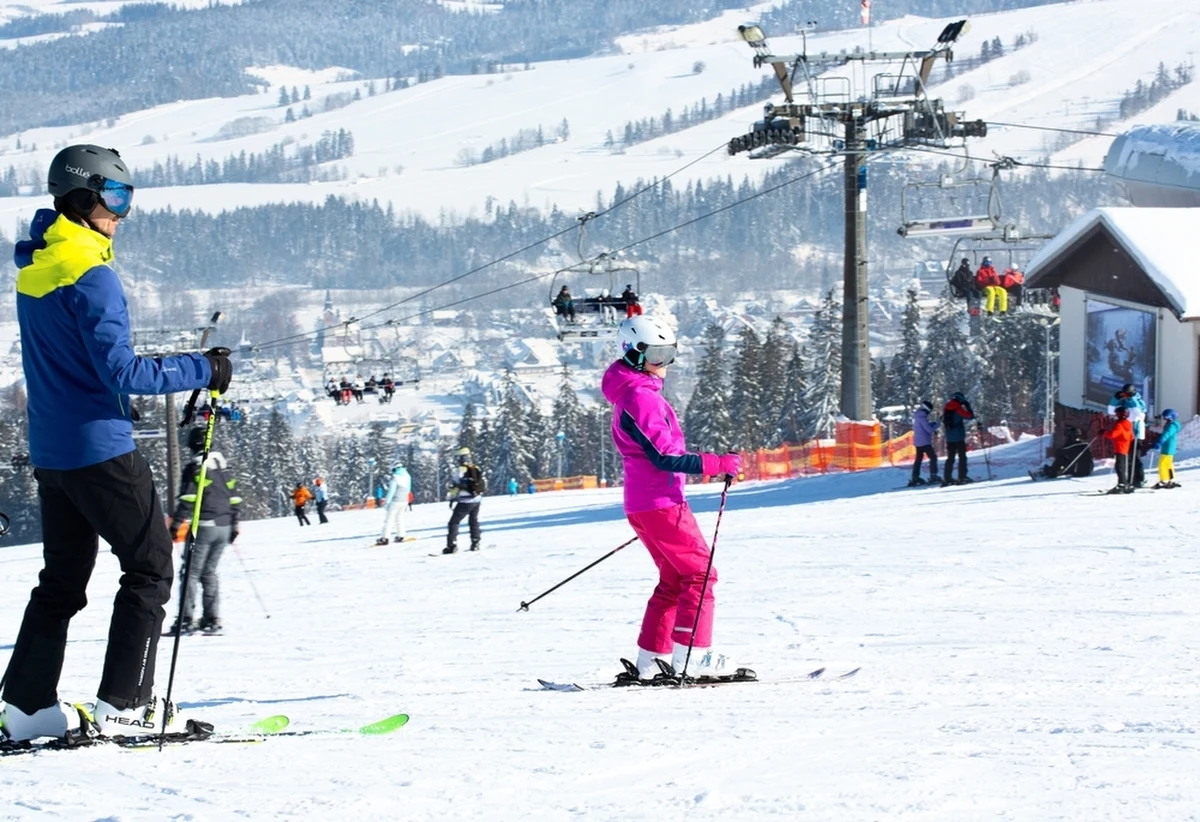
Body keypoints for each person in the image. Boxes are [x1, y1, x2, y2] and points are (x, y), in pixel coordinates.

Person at [0, 144, 232, 743]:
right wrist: (203, 369)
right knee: (151, 568)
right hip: (100, 450)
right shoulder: (92, 273)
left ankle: (26, 709)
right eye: (117, 197)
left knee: (61, 581)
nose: (122, 213)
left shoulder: (38, 265)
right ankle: (126, 704)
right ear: (85, 196)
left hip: (53, 452)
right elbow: (124, 373)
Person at [601, 314, 743, 681]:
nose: (666, 364)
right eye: (657, 355)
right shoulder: (640, 397)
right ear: (633, 354)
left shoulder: (634, 393)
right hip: (660, 504)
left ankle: (652, 659)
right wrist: (718, 463)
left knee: (675, 580)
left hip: (647, 503)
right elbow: (663, 456)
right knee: (700, 576)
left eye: (670, 353)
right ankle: (694, 657)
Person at [165, 427, 241, 637]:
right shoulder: (224, 468)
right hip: (224, 527)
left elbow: (188, 499)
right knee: (208, 572)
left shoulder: (196, 467)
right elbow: (235, 498)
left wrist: (176, 525)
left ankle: (186, 620)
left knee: (189, 572)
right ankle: (211, 619)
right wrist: (234, 525)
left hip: (204, 526)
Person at [444, 446, 484, 554]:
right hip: (477, 499)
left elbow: (455, 485)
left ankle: (452, 545)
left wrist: (451, 495)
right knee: (473, 521)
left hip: (466, 500)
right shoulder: (476, 467)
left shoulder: (461, 469)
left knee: (454, 522)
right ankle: (475, 542)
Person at [1107, 383, 1147, 486]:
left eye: (1127, 394)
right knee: (1128, 458)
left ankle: (1139, 479)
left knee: (1135, 458)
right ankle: (1129, 479)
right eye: (1124, 394)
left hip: (1137, 433)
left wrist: (1132, 399)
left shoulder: (1139, 402)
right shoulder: (1123, 402)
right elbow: (1111, 411)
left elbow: (1139, 413)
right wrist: (1115, 399)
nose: (1125, 396)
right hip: (1127, 434)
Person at [942, 392, 975, 485]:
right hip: (959, 437)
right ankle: (962, 476)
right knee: (962, 457)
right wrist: (968, 406)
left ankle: (947, 477)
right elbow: (970, 416)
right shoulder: (957, 408)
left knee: (950, 458)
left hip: (949, 438)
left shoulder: (946, 408)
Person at [376, 463, 413, 546]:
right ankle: (401, 535)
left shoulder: (395, 478)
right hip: (404, 500)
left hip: (395, 501)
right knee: (399, 518)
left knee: (389, 520)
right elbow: (409, 489)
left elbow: (391, 492)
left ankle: (384, 538)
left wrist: (386, 503)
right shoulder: (407, 476)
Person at [1103, 406, 1135, 494]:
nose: (1116, 416)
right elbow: (1131, 437)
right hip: (1125, 447)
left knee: (1119, 467)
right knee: (1122, 466)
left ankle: (1122, 484)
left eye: (1117, 414)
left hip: (1120, 447)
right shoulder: (1128, 423)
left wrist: (1104, 432)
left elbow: (1113, 435)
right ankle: (1125, 483)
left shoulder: (1120, 424)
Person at [909, 400, 940, 487]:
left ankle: (915, 477)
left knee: (918, 460)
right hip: (924, 442)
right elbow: (929, 430)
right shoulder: (922, 417)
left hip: (918, 441)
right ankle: (933, 475)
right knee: (933, 457)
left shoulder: (918, 416)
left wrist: (932, 424)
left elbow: (924, 426)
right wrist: (937, 424)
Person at [1153, 409, 1181, 489]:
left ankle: (1164, 480)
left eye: (1166, 418)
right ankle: (1171, 479)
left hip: (1168, 447)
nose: (1164, 419)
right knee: (1169, 465)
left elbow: (1167, 434)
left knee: (1162, 464)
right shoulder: (1171, 425)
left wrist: (1160, 441)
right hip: (1168, 447)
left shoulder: (1172, 426)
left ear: (1170, 417)